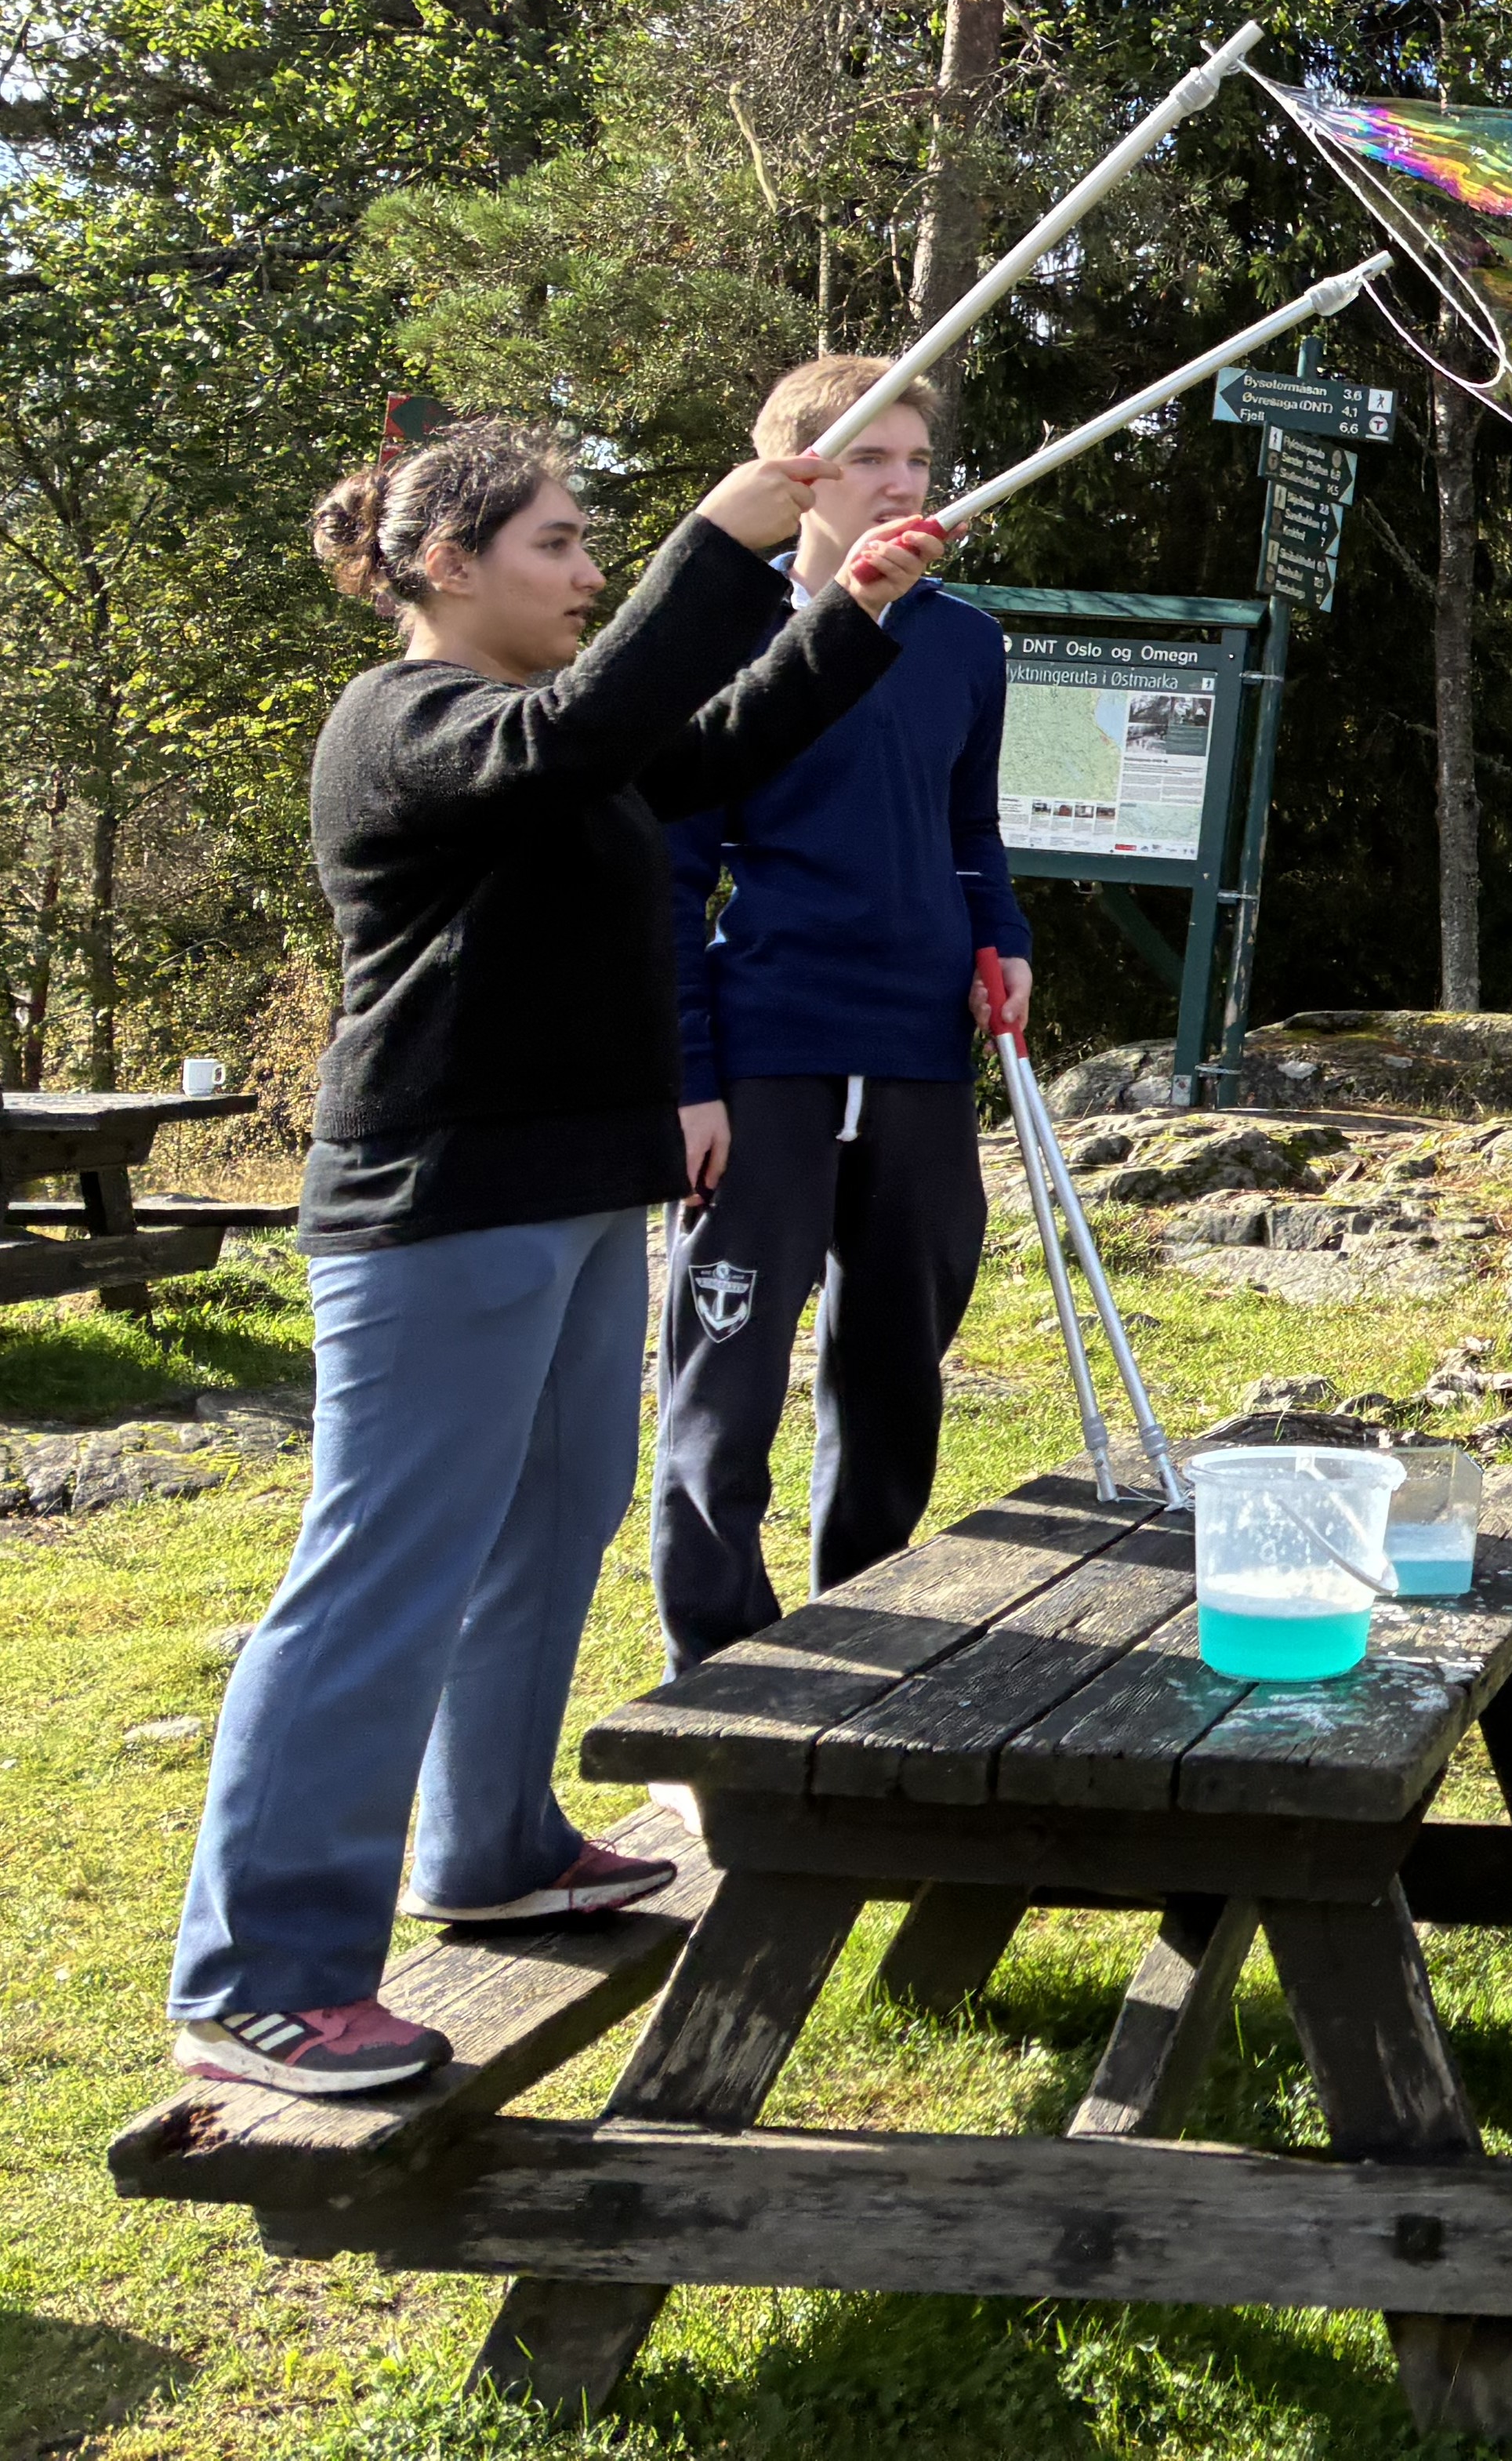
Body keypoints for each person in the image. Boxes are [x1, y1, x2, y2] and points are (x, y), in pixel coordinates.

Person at [167, 419, 940, 2097]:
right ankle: (262, 1978)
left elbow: (705, 746)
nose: (592, 576)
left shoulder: (552, 750)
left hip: (585, 1193)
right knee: (383, 1577)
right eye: (560, 546)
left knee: (547, 1529)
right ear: (446, 565)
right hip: (444, 1204)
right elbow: (591, 725)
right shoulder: (408, 724)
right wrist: (737, 534)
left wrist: (851, 611)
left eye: (601, 548)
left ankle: (495, 1845)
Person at [649, 357, 1032, 1675]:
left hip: (920, 1044)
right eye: (875, 460)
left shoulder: (966, 641)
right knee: (731, 1370)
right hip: (767, 1046)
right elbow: (674, 869)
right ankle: (720, 1663)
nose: (905, 486)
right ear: (802, 475)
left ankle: (868, 1623)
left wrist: (1004, 937)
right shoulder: (720, 640)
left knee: (897, 1366)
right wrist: (690, 1075)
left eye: (921, 463)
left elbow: (970, 825)